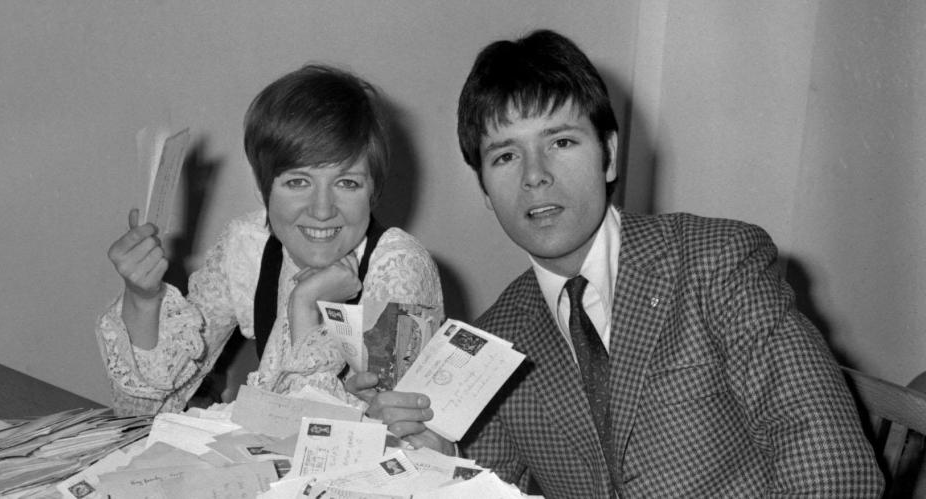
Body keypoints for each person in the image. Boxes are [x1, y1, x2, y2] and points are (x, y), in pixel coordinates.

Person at [347, 30, 883, 497]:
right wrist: (437, 450)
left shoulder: (716, 264)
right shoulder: (497, 338)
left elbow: (833, 468)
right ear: (485, 188)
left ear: (608, 152)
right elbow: (492, 486)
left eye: (560, 141)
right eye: (505, 156)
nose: (534, 175)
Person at [98, 65, 444, 416]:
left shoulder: (399, 269)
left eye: (347, 183)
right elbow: (144, 411)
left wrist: (304, 303)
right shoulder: (247, 246)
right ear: (263, 188)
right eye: (297, 182)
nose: (322, 210)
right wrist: (143, 300)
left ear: (373, 191)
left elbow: (371, 448)